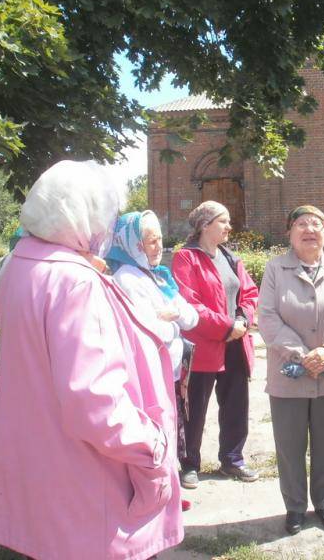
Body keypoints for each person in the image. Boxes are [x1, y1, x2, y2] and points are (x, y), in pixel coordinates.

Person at [0, 161, 183, 560]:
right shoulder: (76, 281)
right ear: (79, 213)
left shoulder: (19, 266)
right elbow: (95, 403)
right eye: (101, 213)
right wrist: (154, 448)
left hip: (41, 471)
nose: (103, 227)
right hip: (89, 488)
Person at [257, 205, 324, 536]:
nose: (309, 229)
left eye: (316, 223)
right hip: (289, 373)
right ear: (289, 233)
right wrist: (304, 355)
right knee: (289, 445)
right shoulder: (275, 269)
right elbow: (267, 317)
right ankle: (294, 507)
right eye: (301, 223)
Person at [107, 210, 199, 511]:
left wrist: (174, 317)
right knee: (154, 438)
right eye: (150, 241)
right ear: (132, 245)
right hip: (148, 377)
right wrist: (174, 325)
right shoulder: (126, 278)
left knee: (170, 433)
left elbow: (192, 316)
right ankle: (156, 499)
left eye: (159, 239)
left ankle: (168, 493)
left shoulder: (157, 275)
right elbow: (148, 331)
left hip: (171, 373)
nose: (158, 247)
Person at [172, 201, 260, 488]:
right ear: (205, 225)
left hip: (236, 343)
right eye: (223, 221)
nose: (229, 227)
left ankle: (232, 460)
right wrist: (226, 327)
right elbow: (189, 303)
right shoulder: (186, 258)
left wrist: (242, 319)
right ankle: (189, 464)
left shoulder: (230, 258)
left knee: (236, 404)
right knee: (194, 409)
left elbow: (249, 292)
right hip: (203, 346)